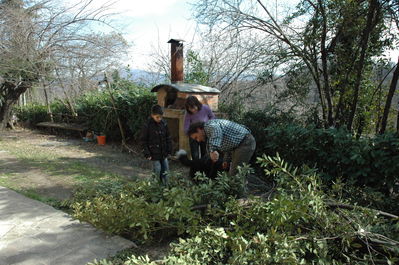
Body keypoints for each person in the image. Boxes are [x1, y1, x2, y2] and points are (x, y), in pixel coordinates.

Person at [187, 119, 256, 176]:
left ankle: (237, 192)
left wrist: (213, 150)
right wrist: (226, 160)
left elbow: (216, 131)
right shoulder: (209, 135)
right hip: (240, 145)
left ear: (199, 129)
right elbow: (229, 146)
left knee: (235, 174)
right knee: (233, 172)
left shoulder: (209, 125)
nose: (198, 140)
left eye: (196, 137)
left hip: (246, 142)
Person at [140, 105, 172, 185]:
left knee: (166, 171)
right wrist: (147, 153)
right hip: (153, 153)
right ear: (152, 115)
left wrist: (169, 150)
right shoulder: (147, 125)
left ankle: (166, 188)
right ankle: (155, 187)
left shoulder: (164, 123)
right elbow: (143, 141)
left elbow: (168, 137)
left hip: (163, 152)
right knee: (157, 170)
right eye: (157, 117)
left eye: (161, 117)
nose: (159, 119)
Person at [183, 96, 215, 160]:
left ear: (197, 104)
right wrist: (188, 134)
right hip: (194, 135)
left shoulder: (205, 108)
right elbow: (186, 125)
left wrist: (208, 125)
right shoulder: (188, 113)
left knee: (204, 152)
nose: (192, 110)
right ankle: (196, 167)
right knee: (195, 154)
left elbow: (212, 117)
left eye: (193, 108)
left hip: (204, 133)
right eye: (190, 108)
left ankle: (203, 167)